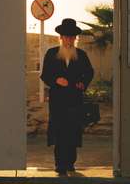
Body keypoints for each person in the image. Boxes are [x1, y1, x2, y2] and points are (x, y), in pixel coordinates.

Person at [40, 18, 94, 176]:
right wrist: (56, 80)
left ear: (75, 38)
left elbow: (89, 72)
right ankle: (60, 164)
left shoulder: (81, 55)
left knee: (72, 131)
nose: (69, 40)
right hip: (57, 100)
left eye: (72, 37)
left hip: (75, 99)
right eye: (67, 36)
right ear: (61, 37)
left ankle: (70, 163)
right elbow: (45, 75)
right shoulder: (51, 54)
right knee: (59, 131)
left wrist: (82, 83)